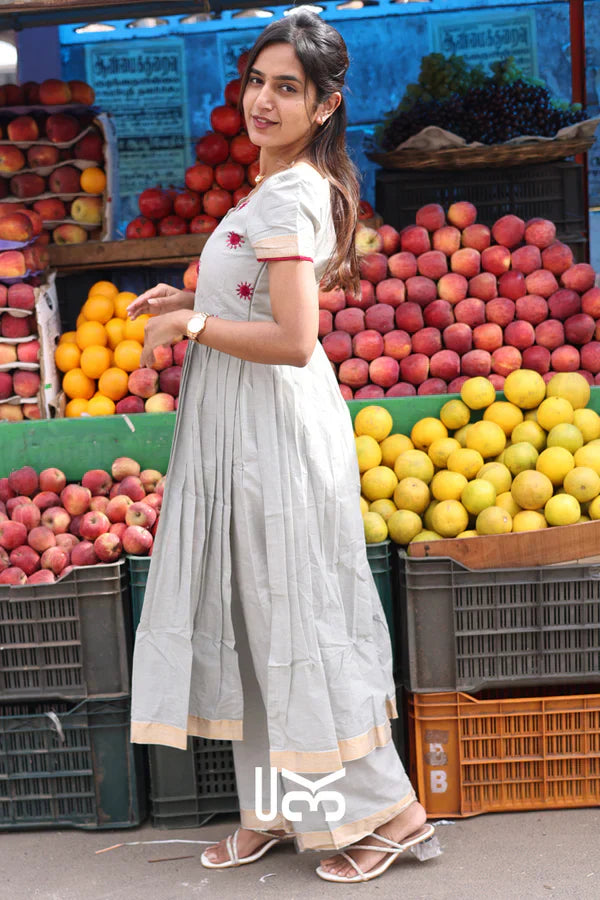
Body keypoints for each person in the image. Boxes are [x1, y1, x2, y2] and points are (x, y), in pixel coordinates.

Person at [128, 11, 435, 885]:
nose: (263, 100)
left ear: (326, 104)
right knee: (258, 623)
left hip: (277, 440)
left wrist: (195, 321)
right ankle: (279, 810)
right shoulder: (270, 191)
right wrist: (181, 303)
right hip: (245, 436)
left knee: (304, 619)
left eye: (287, 88)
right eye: (257, 81)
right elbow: (259, 307)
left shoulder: (294, 194)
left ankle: (396, 813)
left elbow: (297, 339)